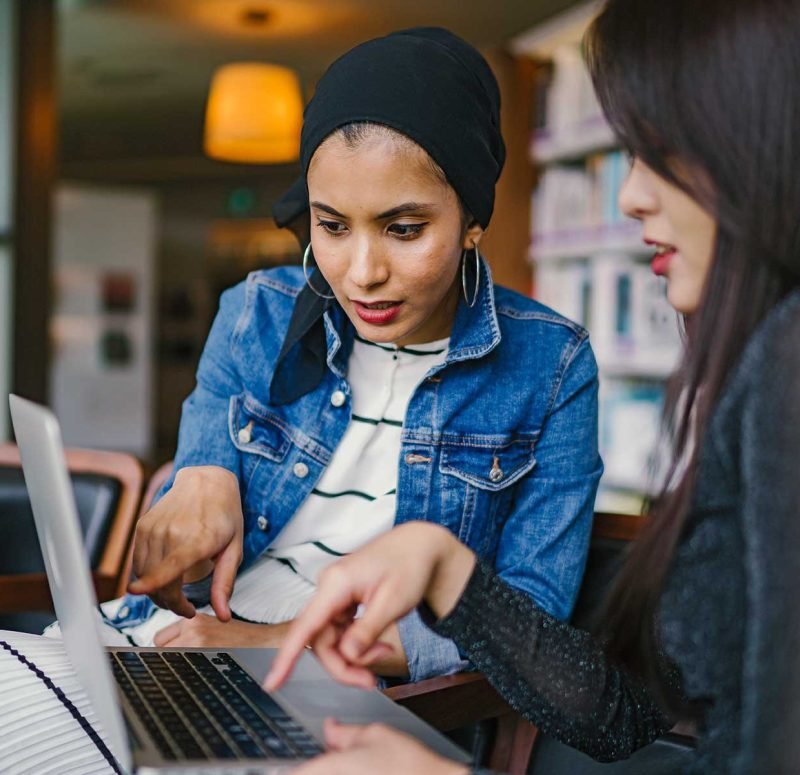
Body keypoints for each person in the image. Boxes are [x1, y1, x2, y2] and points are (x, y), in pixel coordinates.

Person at [0, 28, 604, 775]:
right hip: (180, 644)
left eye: (404, 228)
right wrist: (202, 469)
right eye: (331, 226)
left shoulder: (553, 364)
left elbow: (525, 624)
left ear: (474, 219)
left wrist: (282, 645)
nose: (361, 272)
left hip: (358, 702)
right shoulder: (256, 310)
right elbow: (190, 508)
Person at [265, 1, 800, 773]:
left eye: (660, 152)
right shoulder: (759, 365)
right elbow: (622, 717)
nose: (630, 197)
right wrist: (446, 568)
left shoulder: (783, 365)